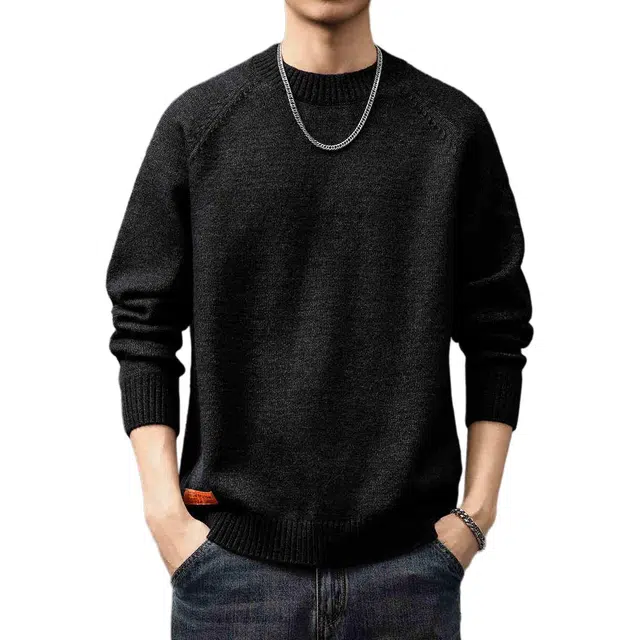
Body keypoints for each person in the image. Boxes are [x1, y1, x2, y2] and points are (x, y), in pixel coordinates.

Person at [105, 1, 533, 637]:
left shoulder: (450, 130)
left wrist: (477, 515)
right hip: (229, 574)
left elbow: (497, 328)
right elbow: (143, 323)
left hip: (409, 575)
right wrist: (166, 515)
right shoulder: (200, 125)